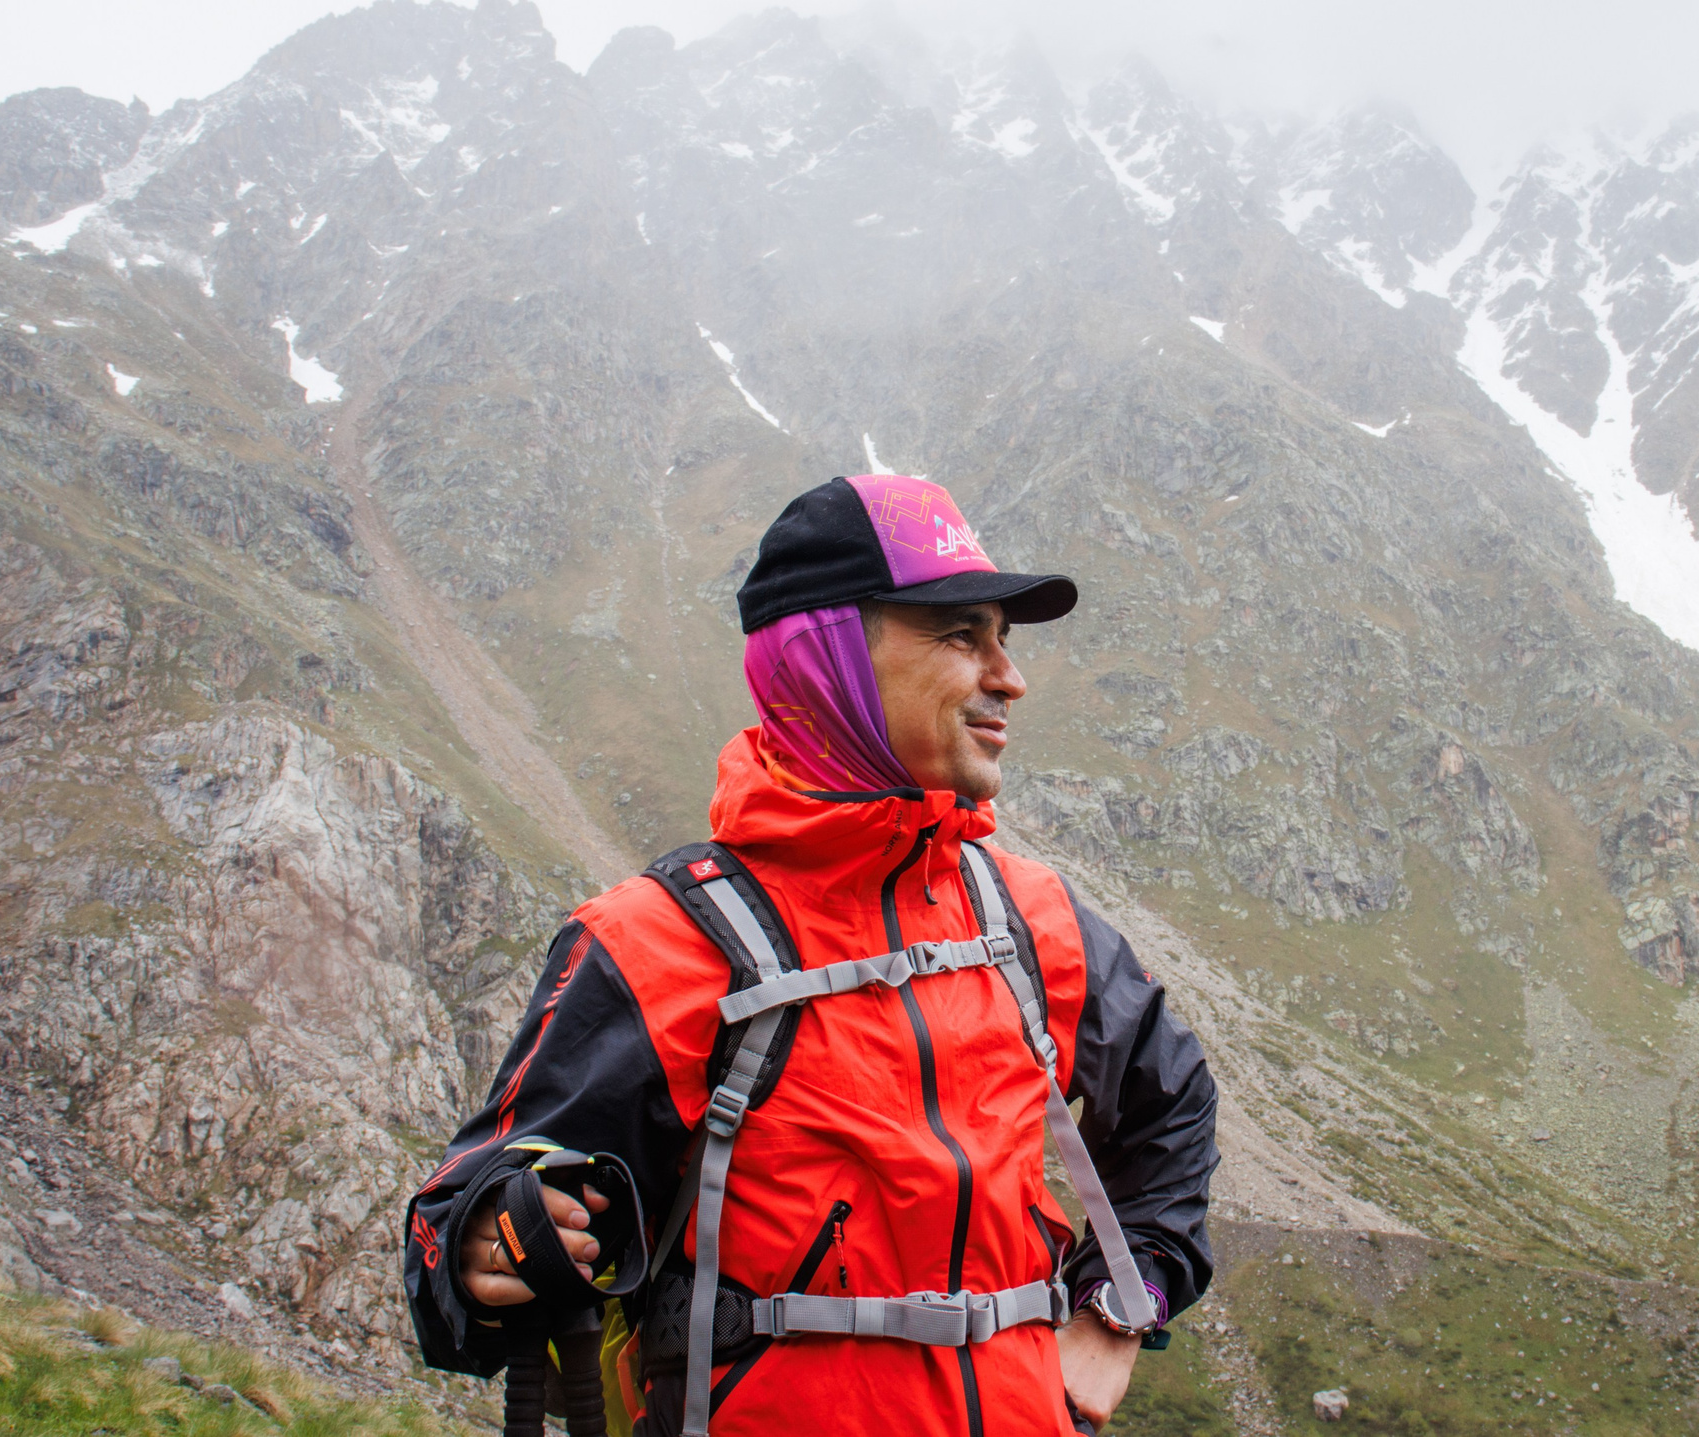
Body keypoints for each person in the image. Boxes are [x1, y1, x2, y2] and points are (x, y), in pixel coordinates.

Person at [403, 475, 1219, 1436]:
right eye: (962, 636)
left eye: (1004, 638)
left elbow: (1174, 1104)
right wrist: (481, 1248)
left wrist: (1122, 1302)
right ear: (827, 655)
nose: (1010, 676)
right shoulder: (652, 942)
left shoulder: (1031, 918)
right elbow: (463, 1229)